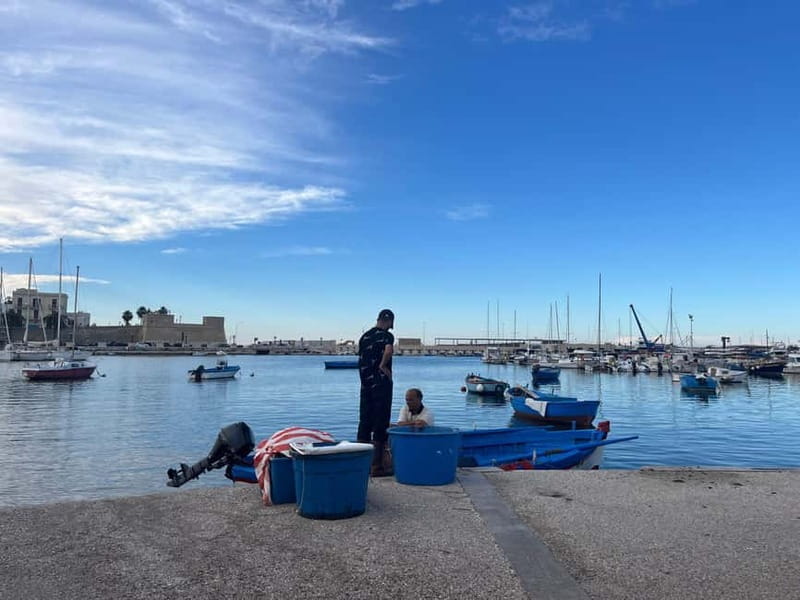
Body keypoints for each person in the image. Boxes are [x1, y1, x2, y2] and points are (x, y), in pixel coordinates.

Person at [357, 308, 395, 476]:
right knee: (381, 421)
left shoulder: (364, 337)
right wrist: (383, 365)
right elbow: (388, 350)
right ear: (388, 321)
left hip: (365, 384)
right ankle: (377, 466)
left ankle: (360, 464)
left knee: (364, 421)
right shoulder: (387, 336)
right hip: (381, 383)